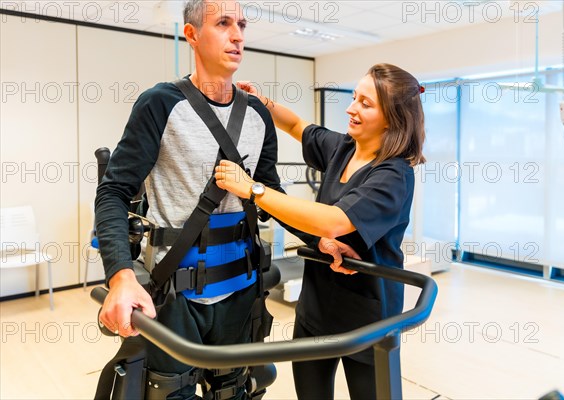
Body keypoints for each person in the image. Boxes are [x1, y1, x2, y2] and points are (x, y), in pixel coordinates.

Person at [94, 1, 287, 399]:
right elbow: (114, 191)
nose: (237, 35)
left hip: (242, 291)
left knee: (233, 390)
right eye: (223, 24)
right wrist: (121, 276)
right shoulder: (161, 104)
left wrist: (324, 237)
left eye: (242, 25)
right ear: (192, 35)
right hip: (176, 296)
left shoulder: (258, 116)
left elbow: (273, 196)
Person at [216, 63, 426, 399]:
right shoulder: (343, 147)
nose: (350, 108)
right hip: (316, 310)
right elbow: (297, 125)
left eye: (365, 103)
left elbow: (333, 220)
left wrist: (253, 190)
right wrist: (260, 102)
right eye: (354, 98)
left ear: (393, 118)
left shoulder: (394, 175)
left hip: (367, 323)